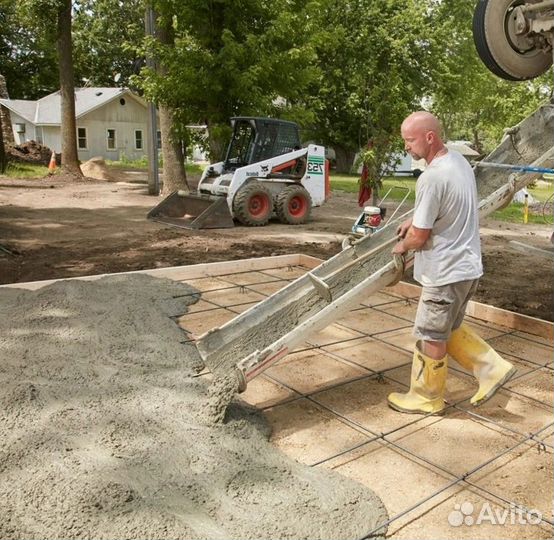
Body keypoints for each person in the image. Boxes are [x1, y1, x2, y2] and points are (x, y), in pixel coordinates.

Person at [388, 111, 516, 415]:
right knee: (449, 326)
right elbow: (449, 205)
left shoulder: (431, 177)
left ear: (429, 137)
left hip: (444, 272)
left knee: (430, 334)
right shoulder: (457, 162)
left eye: (409, 139)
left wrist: (402, 246)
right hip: (467, 267)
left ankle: (426, 397)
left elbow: (419, 238)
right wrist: (414, 219)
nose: (405, 146)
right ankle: (492, 368)